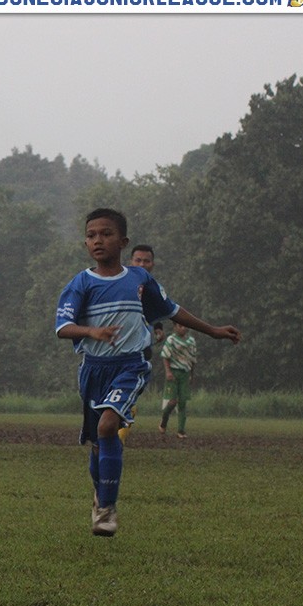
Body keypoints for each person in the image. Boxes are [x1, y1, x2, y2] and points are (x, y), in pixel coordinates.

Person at [56, 208, 241, 537]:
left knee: (108, 424)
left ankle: (107, 511)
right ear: (85, 243)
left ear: (123, 241)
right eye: (91, 235)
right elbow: (62, 328)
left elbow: (172, 310)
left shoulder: (139, 279)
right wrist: (90, 332)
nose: (98, 240)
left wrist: (211, 330)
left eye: (106, 234)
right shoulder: (80, 284)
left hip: (130, 365)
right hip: (93, 370)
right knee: (98, 442)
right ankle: (101, 496)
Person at [118, 244, 165, 444]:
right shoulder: (123, 282)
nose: (142, 264)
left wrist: (158, 328)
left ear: (152, 264)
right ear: (131, 261)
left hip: (140, 349)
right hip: (116, 346)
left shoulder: (153, 287)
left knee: (127, 396)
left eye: (146, 261)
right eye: (138, 260)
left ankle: (117, 440)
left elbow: (160, 309)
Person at [159, 321, 198, 439]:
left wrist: (192, 374)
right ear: (175, 327)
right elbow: (165, 356)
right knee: (172, 401)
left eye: (185, 325)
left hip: (185, 373)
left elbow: (192, 359)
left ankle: (181, 430)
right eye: (180, 326)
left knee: (182, 402)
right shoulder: (171, 340)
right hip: (173, 372)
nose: (183, 328)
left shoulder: (191, 341)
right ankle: (164, 420)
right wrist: (168, 371)